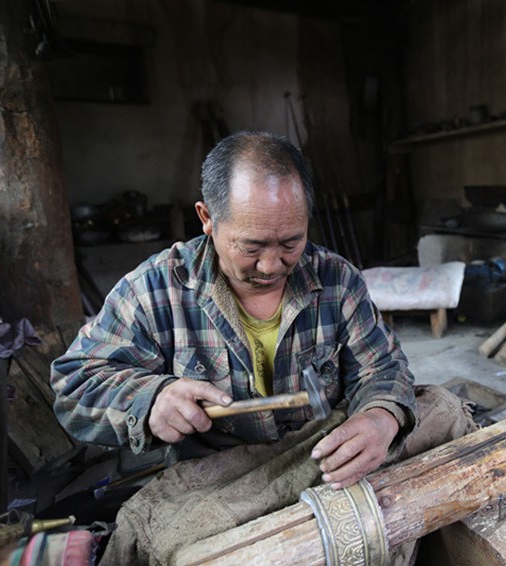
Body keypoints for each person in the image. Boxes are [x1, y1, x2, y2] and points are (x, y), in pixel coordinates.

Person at [51, 131, 475, 564]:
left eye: (291, 243)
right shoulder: (155, 290)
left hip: (320, 462)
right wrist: (150, 399)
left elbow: (382, 366)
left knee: (439, 412)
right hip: (221, 488)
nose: (272, 265)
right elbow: (74, 387)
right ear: (207, 218)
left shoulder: (336, 280)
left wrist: (381, 417)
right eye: (251, 247)